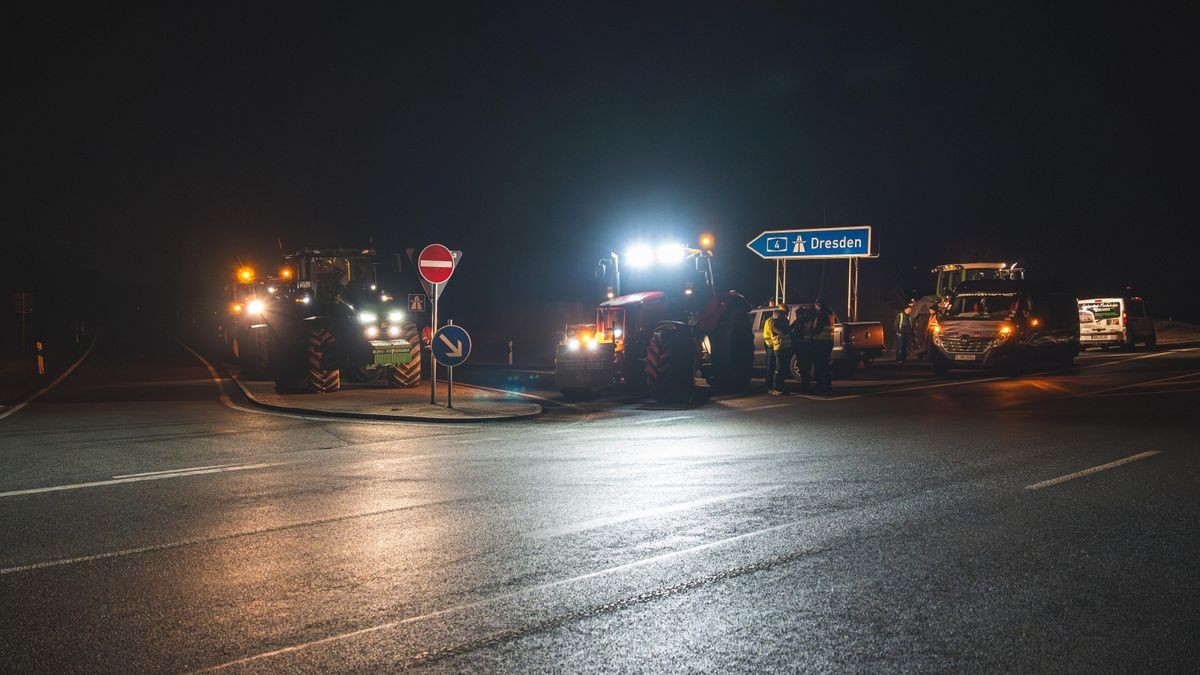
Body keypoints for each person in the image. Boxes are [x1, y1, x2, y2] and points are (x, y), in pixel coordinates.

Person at [810, 298, 834, 393]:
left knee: (820, 365)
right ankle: (826, 384)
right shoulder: (829, 313)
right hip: (827, 342)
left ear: (818, 305)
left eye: (815, 306)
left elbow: (817, 329)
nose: (814, 308)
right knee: (824, 365)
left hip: (821, 343)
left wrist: (812, 333)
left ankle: (822, 386)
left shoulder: (822, 315)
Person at [763, 308, 786, 395]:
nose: (785, 317)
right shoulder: (772, 322)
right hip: (771, 346)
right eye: (784, 315)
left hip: (773, 346)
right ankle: (770, 387)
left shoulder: (772, 321)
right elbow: (779, 331)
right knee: (772, 368)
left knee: (774, 367)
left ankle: (773, 387)